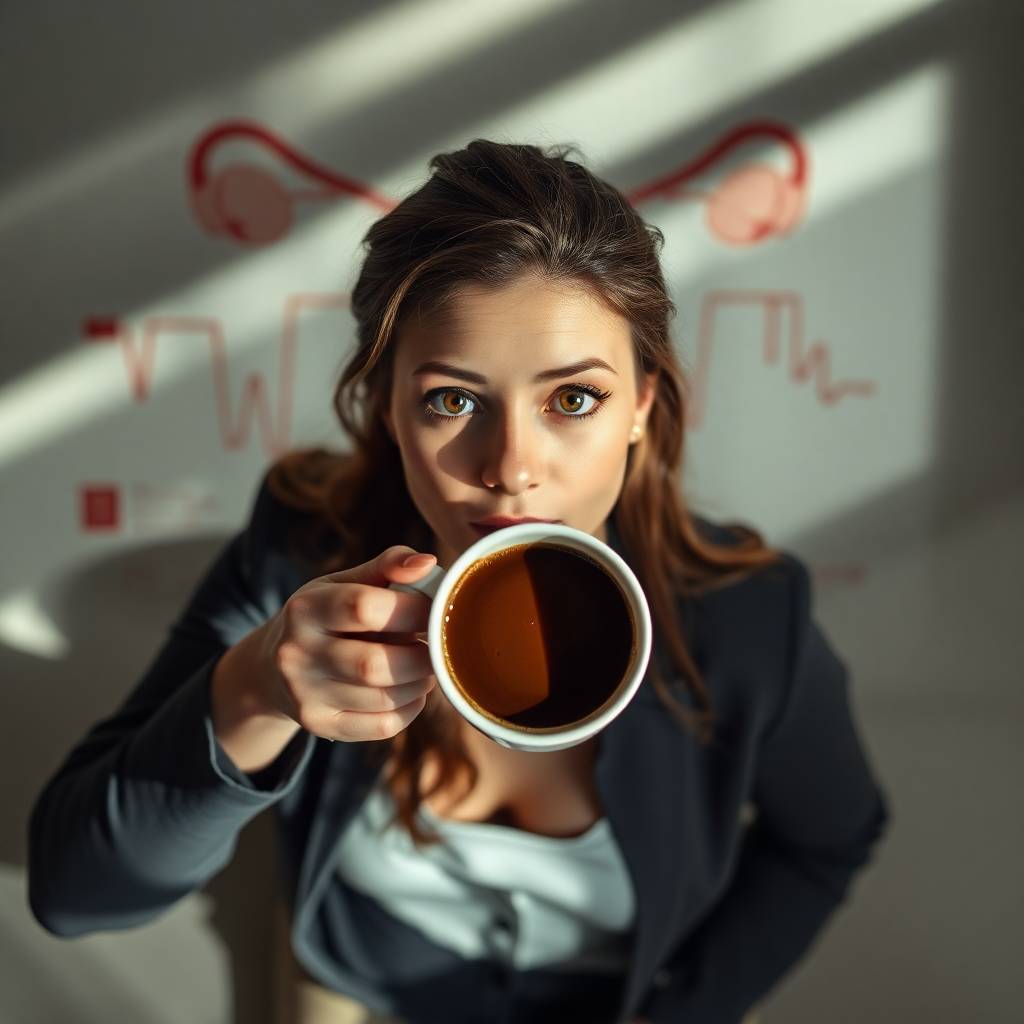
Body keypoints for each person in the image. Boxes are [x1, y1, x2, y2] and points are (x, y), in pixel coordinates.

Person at [27, 139, 890, 1024]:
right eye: (452, 399)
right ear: (387, 408)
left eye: (574, 398)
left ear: (641, 404)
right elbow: (75, 897)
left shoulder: (750, 617)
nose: (512, 468)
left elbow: (828, 843)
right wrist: (253, 686)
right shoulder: (302, 549)